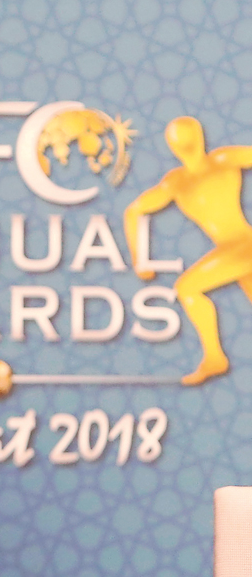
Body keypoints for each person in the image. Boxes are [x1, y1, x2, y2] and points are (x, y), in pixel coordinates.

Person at [124, 116, 252, 385]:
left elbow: (133, 212)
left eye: (187, 138)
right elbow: (134, 211)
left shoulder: (223, 160)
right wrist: (138, 260)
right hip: (233, 251)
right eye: (179, 140)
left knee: (187, 288)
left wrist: (139, 261)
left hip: (244, 244)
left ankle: (215, 357)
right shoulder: (176, 182)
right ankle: (215, 359)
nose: (185, 145)